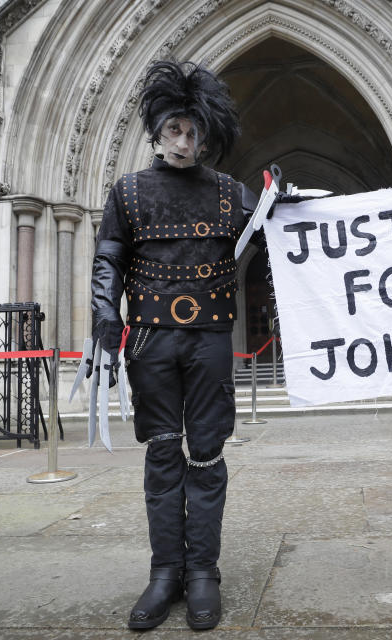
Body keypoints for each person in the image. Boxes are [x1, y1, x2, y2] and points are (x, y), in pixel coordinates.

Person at [90, 60, 258, 631]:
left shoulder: (231, 194)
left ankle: (203, 572)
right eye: (174, 131)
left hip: (210, 340)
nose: (184, 142)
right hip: (153, 343)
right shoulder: (127, 192)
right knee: (163, 456)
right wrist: (104, 318)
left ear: (206, 135)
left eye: (193, 133)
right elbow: (109, 258)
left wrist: (282, 199)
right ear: (157, 131)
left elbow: (281, 238)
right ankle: (166, 571)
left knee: (207, 455)